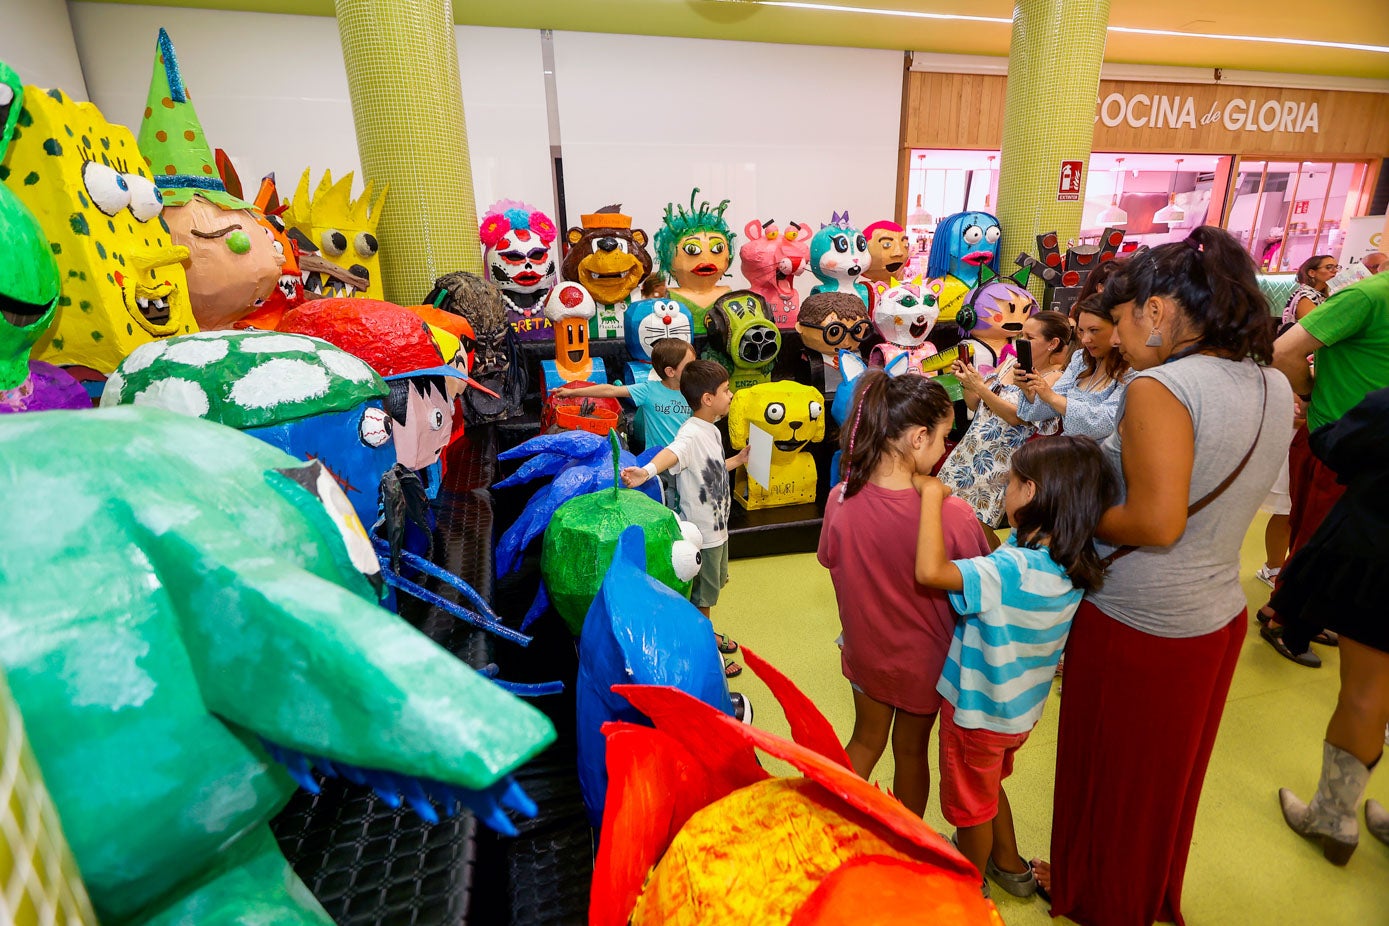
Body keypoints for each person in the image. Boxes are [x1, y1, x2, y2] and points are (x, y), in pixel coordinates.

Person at [1034, 227, 1293, 926]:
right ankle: (1136, 892)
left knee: (1110, 777)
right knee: (1162, 787)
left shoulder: (1160, 387)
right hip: (1214, 614)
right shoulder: (1270, 380)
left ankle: (1101, 900)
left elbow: (1154, 522)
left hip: (1138, 619)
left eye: (1118, 321)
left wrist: (1067, 513)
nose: (1115, 339)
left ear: (1155, 310)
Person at [915, 436, 1118, 898]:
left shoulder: (1010, 570)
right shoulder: (1072, 562)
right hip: (1017, 715)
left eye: (1010, 481)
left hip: (976, 715)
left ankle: (967, 888)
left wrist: (931, 494)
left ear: (1031, 492)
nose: (1004, 489)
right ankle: (1010, 866)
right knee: (986, 791)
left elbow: (930, 571)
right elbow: (1005, 553)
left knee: (969, 812)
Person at [818, 373, 991, 818]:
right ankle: (906, 843)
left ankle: (826, 825)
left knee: (864, 739)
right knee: (910, 753)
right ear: (918, 437)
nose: (944, 448)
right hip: (924, 663)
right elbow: (981, 583)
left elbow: (829, 559)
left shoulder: (839, 497)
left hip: (865, 650)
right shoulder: (950, 515)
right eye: (943, 437)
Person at [1271, 387, 1389, 862]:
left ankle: (1332, 817)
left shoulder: (1383, 407)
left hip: (1378, 561)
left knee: (1365, 692)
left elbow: (1336, 446)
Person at [1260, 269, 1389, 666]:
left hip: (1363, 443)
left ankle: (1296, 612)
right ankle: (1285, 620)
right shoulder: (1368, 297)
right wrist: (1309, 394)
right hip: (1342, 442)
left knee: (1324, 536)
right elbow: (1283, 352)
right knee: (1317, 537)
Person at [622, 360, 749, 675]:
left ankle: (706, 631)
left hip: (718, 529)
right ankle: (707, 658)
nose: (731, 395)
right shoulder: (691, 433)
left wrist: (739, 459)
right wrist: (647, 471)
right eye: (725, 391)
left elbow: (713, 469)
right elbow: (673, 452)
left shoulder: (711, 429)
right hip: (703, 535)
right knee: (701, 598)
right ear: (708, 399)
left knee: (712, 589)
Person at [937, 311, 1071, 545]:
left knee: (978, 530)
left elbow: (1018, 418)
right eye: (1020, 335)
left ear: (1053, 343)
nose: (1021, 342)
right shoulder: (1009, 363)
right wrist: (969, 381)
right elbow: (974, 403)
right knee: (945, 517)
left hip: (999, 463)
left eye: (1029, 337)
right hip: (969, 451)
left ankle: (990, 574)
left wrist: (981, 388)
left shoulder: (1054, 378)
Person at [1016, 296, 1134, 441]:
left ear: (1118, 327)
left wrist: (1052, 397)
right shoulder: (1081, 359)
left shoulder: (1134, 367)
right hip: (1071, 454)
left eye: (1094, 330)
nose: (1085, 339)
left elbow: (1109, 421)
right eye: (1081, 331)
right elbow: (1049, 406)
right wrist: (1031, 391)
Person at [555, 337, 695, 454]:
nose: (695, 369)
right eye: (690, 365)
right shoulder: (649, 390)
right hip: (657, 461)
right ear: (670, 372)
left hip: (686, 458)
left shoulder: (693, 391)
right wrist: (572, 392)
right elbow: (610, 390)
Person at [1282, 254, 1337, 328]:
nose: (1335, 271)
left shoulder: (1322, 295)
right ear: (1312, 273)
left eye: (1336, 267)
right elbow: (1316, 328)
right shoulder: (1306, 296)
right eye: (1329, 267)